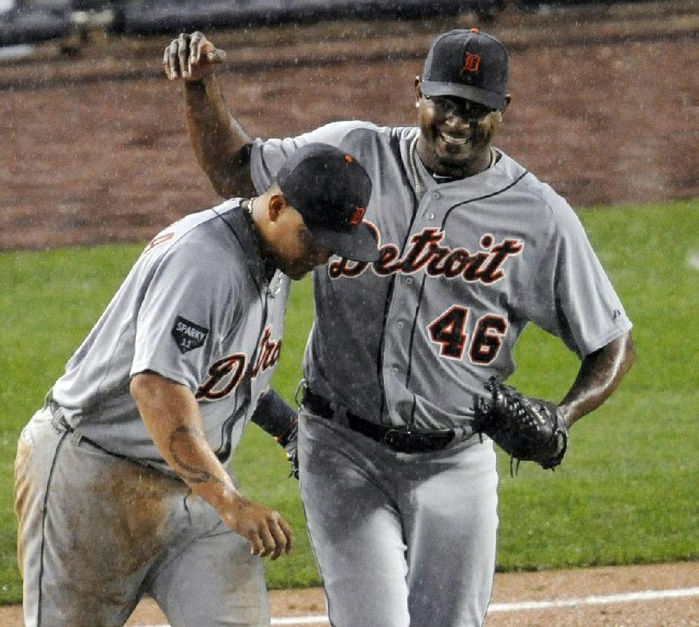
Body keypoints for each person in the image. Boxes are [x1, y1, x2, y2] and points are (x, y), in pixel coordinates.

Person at [164, 27, 636, 627]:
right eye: (445, 103)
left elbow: (612, 341)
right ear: (418, 93)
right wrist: (201, 90)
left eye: (476, 108)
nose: (457, 122)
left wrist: (562, 416)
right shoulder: (350, 151)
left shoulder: (538, 216)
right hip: (340, 451)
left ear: (503, 110)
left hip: (455, 462)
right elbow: (238, 173)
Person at [13, 142, 379, 627]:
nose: (322, 254)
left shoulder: (275, 255)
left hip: (193, 485)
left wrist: (290, 430)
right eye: (315, 238)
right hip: (94, 478)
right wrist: (229, 501)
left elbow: (228, 374)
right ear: (275, 206)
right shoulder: (205, 262)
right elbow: (156, 386)